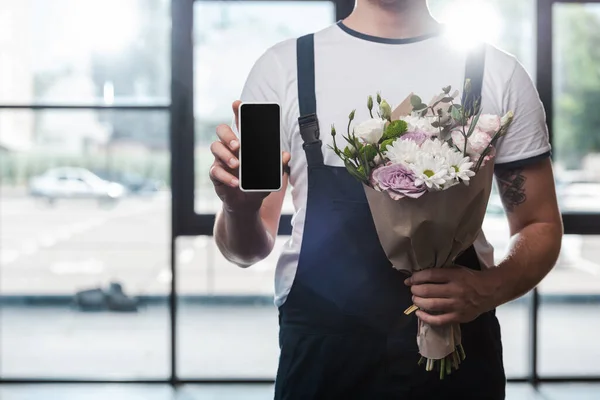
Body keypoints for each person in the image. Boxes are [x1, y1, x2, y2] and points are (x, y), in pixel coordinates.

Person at [209, 0, 563, 398]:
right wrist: (238, 209)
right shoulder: (282, 68)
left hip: (458, 360)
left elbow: (540, 224)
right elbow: (246, 251)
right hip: (323, 358)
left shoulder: (498, 73)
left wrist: (492, 287)